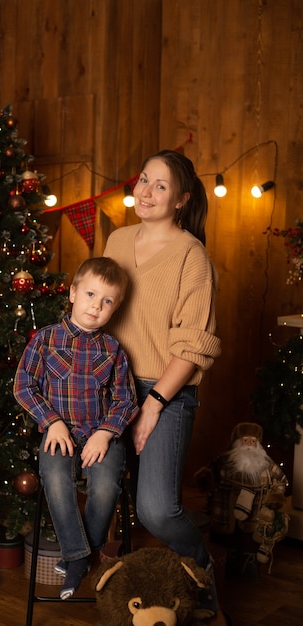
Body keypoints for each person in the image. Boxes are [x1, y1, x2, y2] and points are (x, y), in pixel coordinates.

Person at [103, 149, 221, 618]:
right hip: (109, 387)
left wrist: (152, 404)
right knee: (102, 487)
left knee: (155, 509)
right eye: (143, 180)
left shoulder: (192, 255)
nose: (146, 192)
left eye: (160, 186)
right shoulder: (116, 240)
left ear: (181, 199)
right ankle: (108, 585)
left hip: (166, 390)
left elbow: (193, 345)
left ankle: (202, 572)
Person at [13, 257, 138, 600]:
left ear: (115, 308)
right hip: (60, 433)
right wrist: (51, 422)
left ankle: (78, 557)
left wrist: (105, 433)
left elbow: (126, 400)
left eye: (107, 301)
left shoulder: (113, 350)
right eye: (90, 295)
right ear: (72, 293)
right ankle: (80, 557)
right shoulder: (46, 339)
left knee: (105, 484)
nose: (96, 307)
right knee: (55, 478)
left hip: (101, 434)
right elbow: (24, 385)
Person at [197, 422, 288, 576]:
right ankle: (227, 563)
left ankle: (248, 563)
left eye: (253, 441)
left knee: (249, 542)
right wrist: (205, 478)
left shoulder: (267, 464)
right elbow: (209, 471)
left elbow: (281, 480)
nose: (249, 445)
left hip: (255, 513)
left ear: (258, 444)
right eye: (245, 441)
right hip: (225, 511)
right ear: (238, 442)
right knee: (224, 541)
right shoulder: (225, 460)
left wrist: (275, 498)